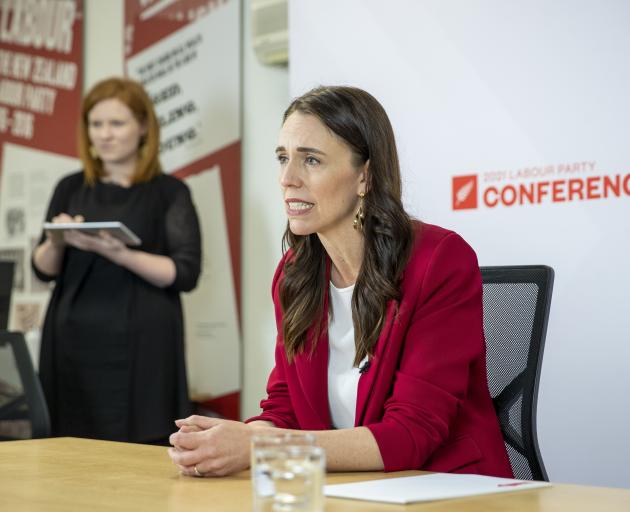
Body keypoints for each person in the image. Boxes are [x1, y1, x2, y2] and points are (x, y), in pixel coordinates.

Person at [168, 85, 512, 477]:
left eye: (311, 160)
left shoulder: (439, 261)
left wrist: (257, 446)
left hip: (446, 487)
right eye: (283, 158)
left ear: (364, 176)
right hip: (350, 489)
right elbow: (285, 408)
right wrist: (221, 443)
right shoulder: (295, 274)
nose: (287, 178)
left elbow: (411, 435)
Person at [32, 77, 201, 444]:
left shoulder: (169, 192)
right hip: (72, 342)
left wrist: (120, 254)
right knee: (70, 449)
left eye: (116, 123)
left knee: (143, 449)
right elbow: (42, 269)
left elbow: (185, 272)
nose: (104, 134)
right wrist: (56, 240)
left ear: (143, 128)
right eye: (96, 124)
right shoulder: (70, 187)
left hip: (143, 345)